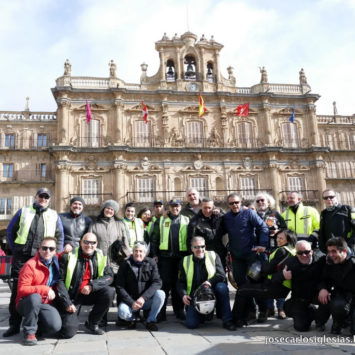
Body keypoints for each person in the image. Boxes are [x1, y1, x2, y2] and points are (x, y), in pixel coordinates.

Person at [4, 187, 64, 338]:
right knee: (18, 291)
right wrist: (16, 249)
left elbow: (60, 236)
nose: (43, 199)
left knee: (44, 287)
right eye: (41, 196)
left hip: (44, 256)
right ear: (35, 197)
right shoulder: (23, 211)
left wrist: (55, 254)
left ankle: (40, 321)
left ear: (49, 199)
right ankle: (14, 325)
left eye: (46, 197)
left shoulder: (53, 215)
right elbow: (11, 231)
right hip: (22, 256)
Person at [219, 193, 269, 325]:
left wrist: (262, 245)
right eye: (231, 203)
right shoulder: (226, 217)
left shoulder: (249, 214)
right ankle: (250, 311)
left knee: (256, 282)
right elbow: (219, 230)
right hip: (237, 257)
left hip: (251, 255)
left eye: (236, 202)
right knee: (241, 285)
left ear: (241, 203)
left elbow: (263, 227)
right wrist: (215, 214)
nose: (234, 205)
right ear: (228, 205)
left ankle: (263, 310)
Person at [56, 233, 115, 338]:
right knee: (68, 332)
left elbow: (109, 276)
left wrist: (92, 286)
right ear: (80, 242)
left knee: (109, 292)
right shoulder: (68, 256)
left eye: (93, 242)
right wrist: (67, 303)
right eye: (86, 242)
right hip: (73, 296)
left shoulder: (101, 256)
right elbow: (59, 281)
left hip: (90, 293)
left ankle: (92, 323)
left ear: (96, 244)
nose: (89, 245)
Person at [177, 236, 236, 330]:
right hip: (195, 295)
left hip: (212, 292)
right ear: (191, 248)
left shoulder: (213, 255)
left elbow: (221, 275)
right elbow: (180, 282)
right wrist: (183, 295)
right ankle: (203, 315)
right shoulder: (185, 261)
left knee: (222, 288)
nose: (200, 249)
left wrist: (209, 282)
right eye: (196, 247)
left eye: (202, 246)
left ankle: (227, 321)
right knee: (191, 324)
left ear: (205, 246)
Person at [236, 230, 297, 320]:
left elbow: (268, 269)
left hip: (275, 287)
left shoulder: (282, 251)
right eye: (277, 237)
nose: (278, 240)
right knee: (253, 285)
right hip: (283, 286)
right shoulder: (292, 249)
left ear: (287, 240)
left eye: (281, 238)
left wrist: (260, 264)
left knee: (242, 290)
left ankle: (237, 319)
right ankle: (262, 312)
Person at [16, 237, 62, 345]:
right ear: (39, 249)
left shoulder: (55, 262)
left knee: (55, 326)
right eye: (44, 248)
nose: (47, 251)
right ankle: (29, 333)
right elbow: (22, 289)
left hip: (44, 302)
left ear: (55, 251)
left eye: (51, 249)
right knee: (35, 297)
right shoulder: (30, 265)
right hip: (26, 302)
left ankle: (36, 327)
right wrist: (44, 289)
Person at [150, 199, 189, 321]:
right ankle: (161, 312)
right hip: (165, 258)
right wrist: (155, 254)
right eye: (172, 206)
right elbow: (154, 239)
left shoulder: (186, 220)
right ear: (169, 208)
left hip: (181, 258)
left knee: (178, 284)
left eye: (177, 206)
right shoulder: (161, 220)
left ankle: (179, 311)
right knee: (164, 285)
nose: (175, 208)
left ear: (180, 207)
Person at [115, 241, 165, 331]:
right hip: (130, 301)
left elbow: (157, 282)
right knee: (122, 312)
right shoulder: (124, 265)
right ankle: (132, 319)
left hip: (146, 301)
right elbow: (119, 287)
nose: (138, 253)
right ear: (132, 252)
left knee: (161, 294)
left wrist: (143, 298)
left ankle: (150, 321)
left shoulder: (151, 263)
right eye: (136, 251)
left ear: (145, 253)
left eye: (141, 251)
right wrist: (131, 302)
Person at [278, 240, 326, 331]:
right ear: (296, 253)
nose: (304, 255)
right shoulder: (290, 262)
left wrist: (324, 288)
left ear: (311, 251)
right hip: (300, 298)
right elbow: (274, 278)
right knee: (301, 327)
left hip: (317, 295)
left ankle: (320, 321)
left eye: (307, 252)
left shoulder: (321, 259)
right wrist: (282, 276)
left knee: (329, 299)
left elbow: (329, 277)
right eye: (300, 253)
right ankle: (311, 312)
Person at [254, 192, 287, 318]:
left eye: (263, 200)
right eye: (258, 201)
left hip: (276, 250)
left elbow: (285, 229)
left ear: (268, 202)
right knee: (265, 280)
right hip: (261, 251)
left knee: (278, 279)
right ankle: (269, 308)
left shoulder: (275, 214)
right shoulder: (254, 215)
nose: (260, 203)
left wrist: (278, 231)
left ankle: (281, 307)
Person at [318, 237, 355, 334]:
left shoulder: (353, 263)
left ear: (344, 251)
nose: (331, 255)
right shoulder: (330, 262)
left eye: (334, 252)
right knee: (337, 304)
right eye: (329, 252)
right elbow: (324, 279)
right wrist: (323, 289)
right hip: (341, 295)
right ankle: (338, 321)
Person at [89, 200, 131, 272]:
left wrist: (127, 256)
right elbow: (89, 241)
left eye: (112, 209)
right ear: (103, 209)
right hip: (99, 263)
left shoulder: (120, 224)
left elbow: (125, 241)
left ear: (114, 212)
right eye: (108, 208)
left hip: (116, 264)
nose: (109, 211)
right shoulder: (94, 225)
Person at [187, 197, 226, 266]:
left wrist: (220, 212)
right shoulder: (194, 221)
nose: (207, 210)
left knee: (220, 276)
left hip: (220, 254)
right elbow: (190, 240)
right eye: (205, 208)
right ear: (201, 207)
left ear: (213, 207)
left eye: (209, 208)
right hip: (204, 255)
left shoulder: (218, 217)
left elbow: (227, 222)